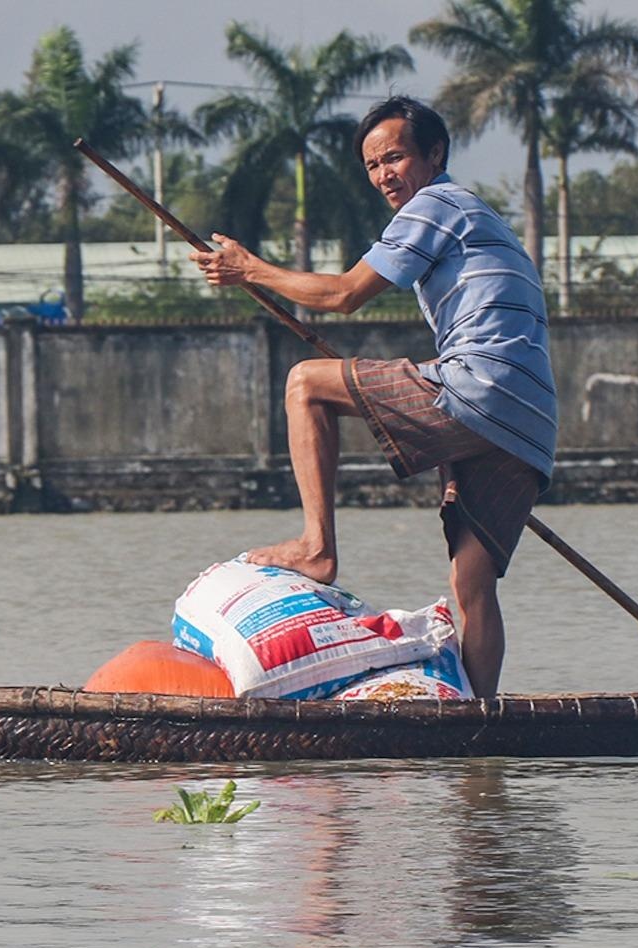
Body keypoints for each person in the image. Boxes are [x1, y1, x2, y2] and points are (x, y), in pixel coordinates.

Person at [188, 96, 557, 698]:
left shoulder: (437, 202)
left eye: (396, 157)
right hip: (530, 422)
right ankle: (481, 726)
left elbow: (344, 294)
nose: (385, 175)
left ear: (434, 155)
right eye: (373, 165)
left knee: (306, 382)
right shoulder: (475, 215)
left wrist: (249, 268)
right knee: (473, 582)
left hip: (481, 388)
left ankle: (315, 548)